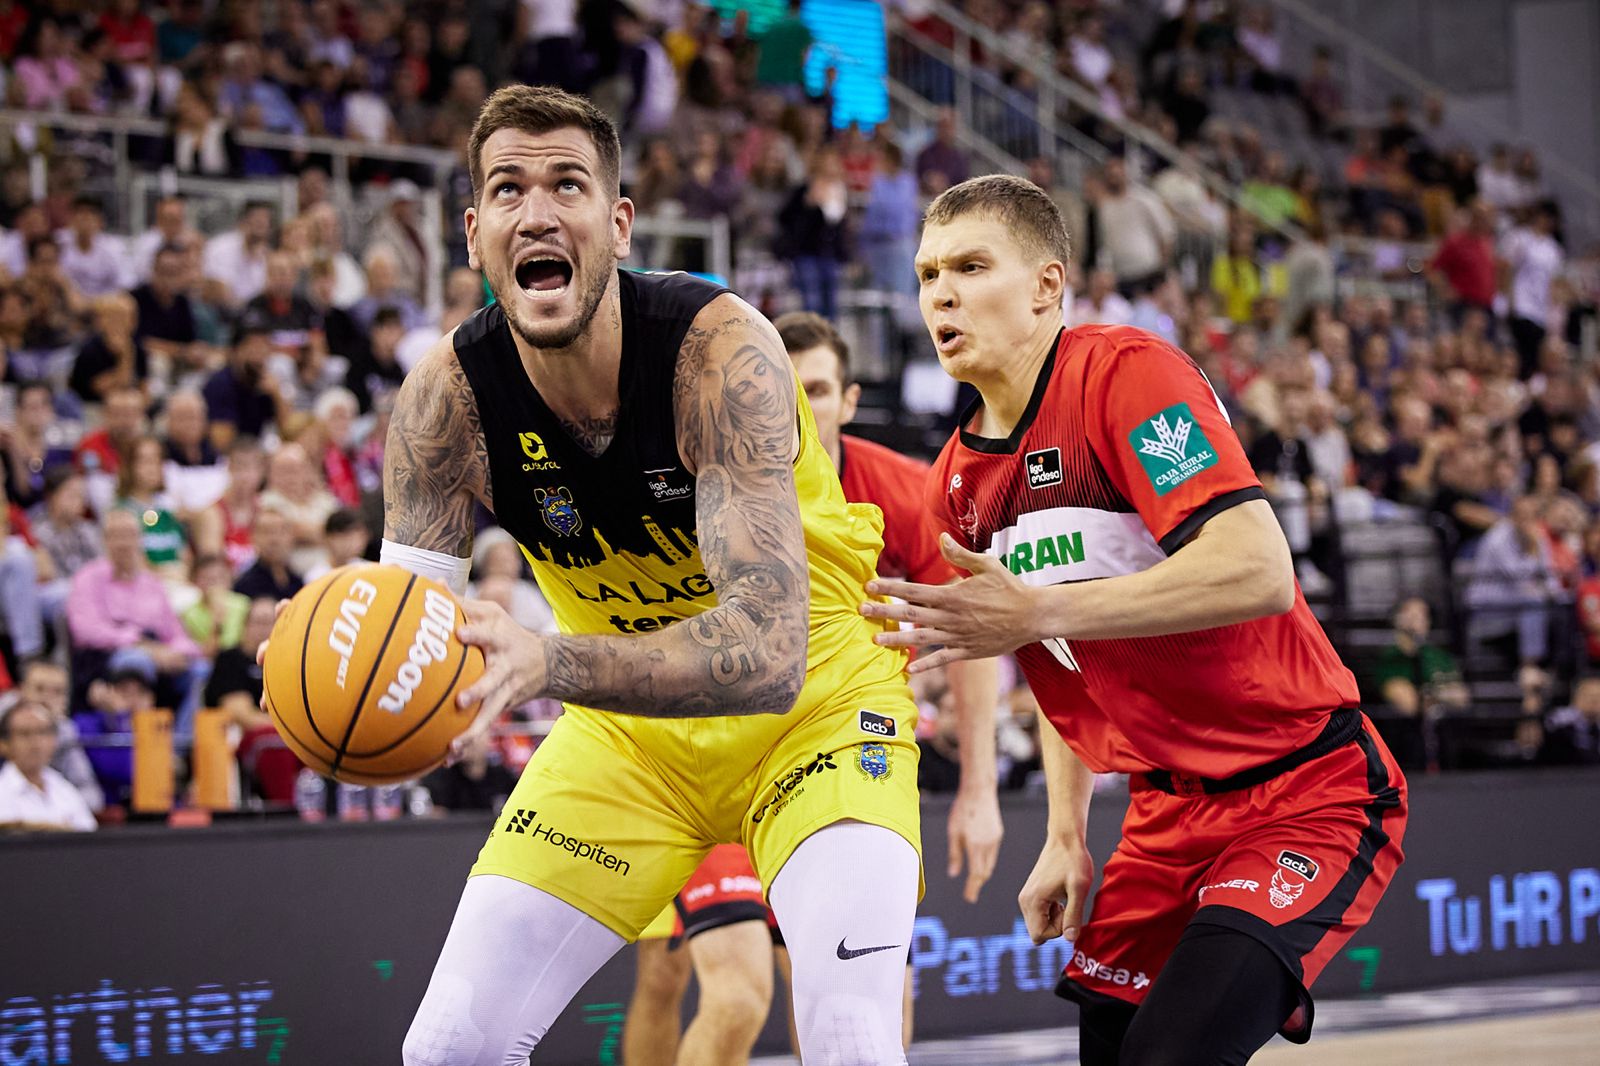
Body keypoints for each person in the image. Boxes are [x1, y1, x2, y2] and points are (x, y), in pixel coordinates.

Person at [311, 86, 924, 1065]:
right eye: (508, 189)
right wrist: (340, 677)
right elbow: (409, 639)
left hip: (817, 709)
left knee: (850, 1035)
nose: (537, 211)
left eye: (568, 184)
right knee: (446, 1048)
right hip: (629, 741)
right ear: (473, 234)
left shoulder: (718, 352)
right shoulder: (440, 406)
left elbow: (766, 656)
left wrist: (545, 662)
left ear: (619, 223)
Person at [862, 174, 1408, 1065]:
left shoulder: (1126, 375)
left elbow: (1260, 569)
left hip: (1304, 788)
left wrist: (1035, 607)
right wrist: (1065, 834)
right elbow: (1062, 671)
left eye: (970, 267)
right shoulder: (954, 485)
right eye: (927, 276)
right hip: (1161, 817)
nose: (941, 295)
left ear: (1047, 285)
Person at [624, 313, 1006, 1063]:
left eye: (818, 389)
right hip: (712, 757)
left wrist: (980, 789)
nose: (798, 405)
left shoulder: (901, 489)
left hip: (838, 756)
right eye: (783, 387)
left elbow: (974, 629)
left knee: (857, 1003)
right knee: (718, 992)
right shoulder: (697, 481)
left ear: (850, 399)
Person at [1369, 597, 1468, 771]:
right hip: (1405, 742)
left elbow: (1461, 697)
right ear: (1397, 619)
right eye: (1410, 613)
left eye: (1422, 614)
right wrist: (1440, 693)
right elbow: (1408, 704)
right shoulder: (1390, 658)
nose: (1416, 618)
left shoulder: (1439, 657)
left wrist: (1430, 694)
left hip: (1443, 739)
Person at [0, 700, 97, 832]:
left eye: (42, 732)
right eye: (25, 734)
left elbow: (88, 833)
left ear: (54, 740)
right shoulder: (3, 791)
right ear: (4, 744)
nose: (35, 743)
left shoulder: (64, 788)